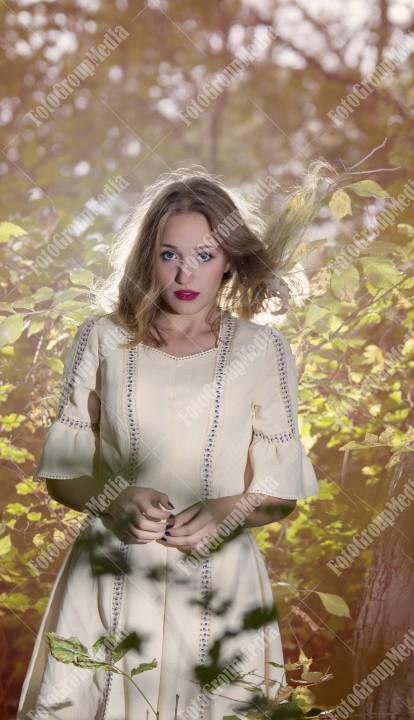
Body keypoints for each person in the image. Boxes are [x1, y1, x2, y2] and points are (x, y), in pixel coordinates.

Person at [17, 166, 323, 720]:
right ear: (146, 258)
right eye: (169, 254)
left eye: (205, 255)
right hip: (112, 572)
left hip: (221, 585)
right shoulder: (102, 338)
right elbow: (62, 475)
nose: (186, 271)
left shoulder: (264, 349)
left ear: (229, 258)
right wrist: (114, 498)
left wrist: (230, 508)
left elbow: (282, 493)